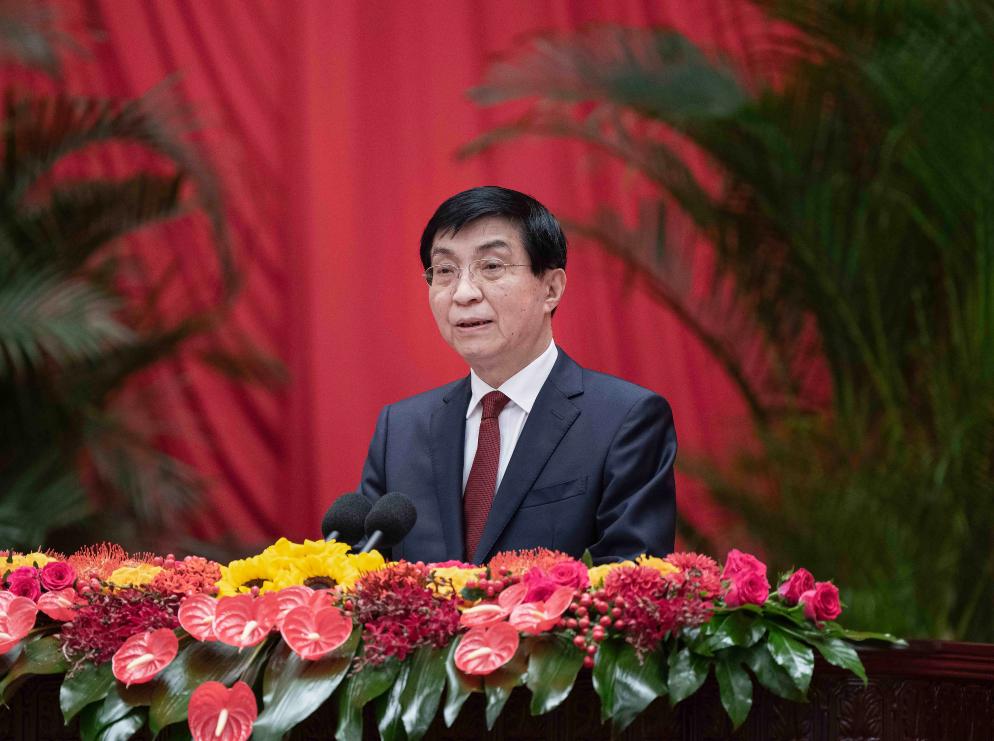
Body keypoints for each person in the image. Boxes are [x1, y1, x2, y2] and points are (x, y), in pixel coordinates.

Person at [355, 186, 676, 564]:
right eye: (444, 271)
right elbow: (362, 573)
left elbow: (632, 581)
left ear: (551, 289)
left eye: (492, 267)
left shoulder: (624, 420)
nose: (463, 293)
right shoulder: (400, 430)